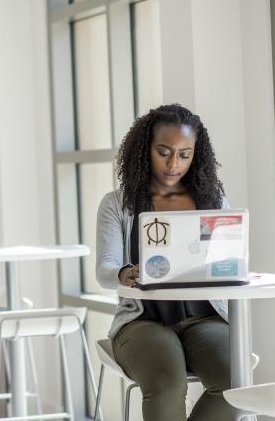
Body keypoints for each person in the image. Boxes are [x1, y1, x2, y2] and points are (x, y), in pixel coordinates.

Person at [95, 104, 234, 420]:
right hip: (143, 321)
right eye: (164, 152)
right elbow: (104, 271)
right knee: (168, 385)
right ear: (145, 150)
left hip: (204, 318)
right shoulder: (117, 204)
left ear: (196, 155)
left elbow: (226, 261)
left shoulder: (213, 200)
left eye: (185, 155)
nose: (174, 164)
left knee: (236, 384)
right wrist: (125, 273)